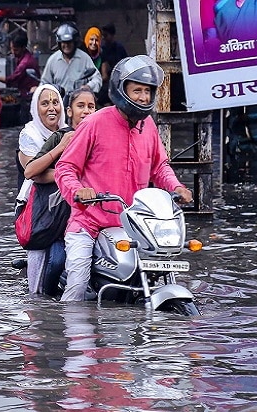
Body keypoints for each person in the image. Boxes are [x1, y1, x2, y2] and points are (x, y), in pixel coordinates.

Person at [54, 55, 193, 302]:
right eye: (137, 90)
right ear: (121, 90)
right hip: (90, 223)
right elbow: (65, 167)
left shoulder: (148, 125)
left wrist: (177, 187)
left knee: (165, 271)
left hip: (136, 225)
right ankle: (72, 336)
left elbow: (159, 167)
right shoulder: (94, 123)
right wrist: (79, 191)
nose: (143, 97)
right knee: (76, 286)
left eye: (148, 92)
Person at [19, 88, 97, 296]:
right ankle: (45, 300)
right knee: (57, 261)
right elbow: (31, 171)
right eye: (81, 106)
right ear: (69, 111)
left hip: (95, 212)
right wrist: (69, 173)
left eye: (91, 107)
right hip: (57, 212)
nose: (87, 112)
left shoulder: (103, 136)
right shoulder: (58, 137)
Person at [15, 84, 66, 296]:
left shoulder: (68, 131)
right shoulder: (29, 135)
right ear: (36, 109)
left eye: (56, 102)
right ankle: (36, 299)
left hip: (63, 204)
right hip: (35, 209)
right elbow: (34, 173)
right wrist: (70, 176)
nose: (51, 108)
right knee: (46, 268)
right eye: (45, 103)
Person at [0, 32, 40, 123]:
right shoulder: (22, 57)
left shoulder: (25, 62)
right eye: (12, 49)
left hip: (29, 97)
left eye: (16, 50)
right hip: (23, 93)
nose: (13, 52)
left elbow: (12, 79)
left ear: (23, 48)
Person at [40, 23, 102, 100]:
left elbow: (97, 78)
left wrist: (88, 87)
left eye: (69, 42)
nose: (66, 45)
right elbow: (45, 82)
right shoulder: (53, 60)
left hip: (79, 102)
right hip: (58, 103)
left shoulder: (84, 58)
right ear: (59, 43)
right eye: (64, 42)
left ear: (75, 42)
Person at [99, 23, 128, 105]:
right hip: (108, 81)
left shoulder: (119, 48)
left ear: (112, 35)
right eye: (103, 36)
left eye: (106, 35)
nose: (104, 38)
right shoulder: (103, 49)